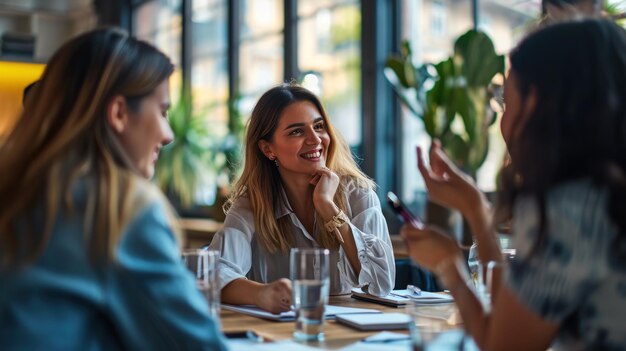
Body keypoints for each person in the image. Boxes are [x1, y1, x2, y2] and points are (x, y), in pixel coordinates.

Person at [401, 19, 626, 350]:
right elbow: (514, 312)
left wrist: (449, 266)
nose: (502, 121)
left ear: (533, 102)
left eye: (505, 101)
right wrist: (476, 210)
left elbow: (502, 346)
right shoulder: (605, 196)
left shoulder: (568, 212)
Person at [0, 28, 227, 350]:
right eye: (162, 112)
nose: (168, 134)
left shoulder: (18, 189)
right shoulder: (116, 206)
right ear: (119, 113)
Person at [209, 83, 395, 313]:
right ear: (268, 149)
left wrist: (328, 207)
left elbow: (382, 283)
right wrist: (262, 293)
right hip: (280, 337)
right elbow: (213, 273)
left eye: (319, 126)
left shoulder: (358, 193)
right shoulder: (252, 203)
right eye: (297, 131)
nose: (315, 140)